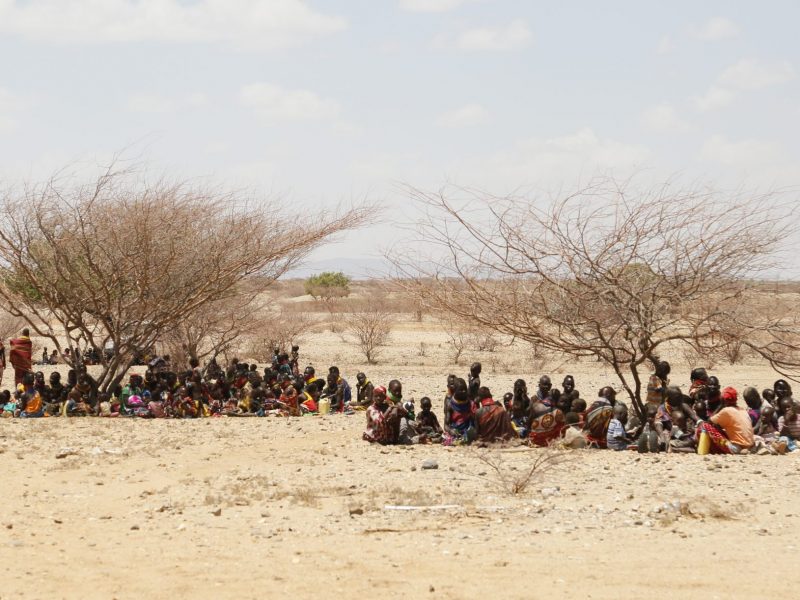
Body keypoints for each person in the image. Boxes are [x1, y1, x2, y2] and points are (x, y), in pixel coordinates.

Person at [696, 386, 754, 455]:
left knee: (705, 426)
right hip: (749, 445)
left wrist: (720, 405)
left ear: (724, 400)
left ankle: (705, 450)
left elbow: (709, 421)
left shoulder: (726, 411)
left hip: (736, 448)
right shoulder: (743, 410)